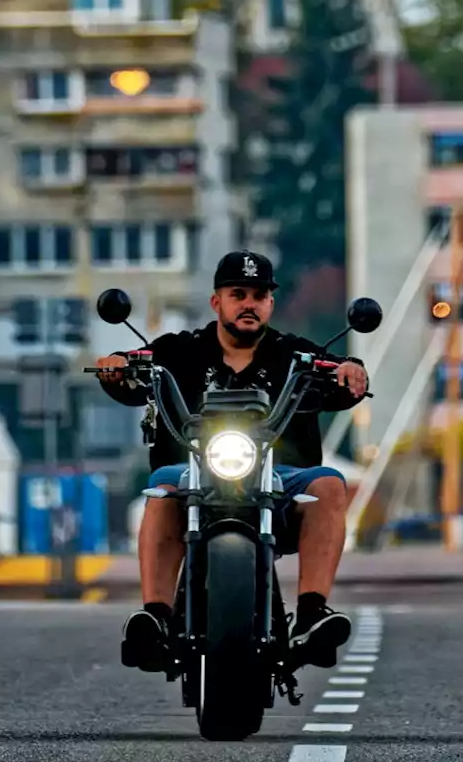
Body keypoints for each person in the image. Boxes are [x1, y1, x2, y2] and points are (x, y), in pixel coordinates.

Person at [94, 250, 369, 675]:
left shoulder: (294, 355)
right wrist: (116, 365)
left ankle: (312, 615)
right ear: (216, 302)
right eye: (237, 293)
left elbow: (342, 375)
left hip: (283, 480)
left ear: (270, 304)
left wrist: (353, 368)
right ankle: (155, 618)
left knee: (330, 483)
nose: (248, 303)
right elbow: (135, 374)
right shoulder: (178, 351)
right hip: (189, 474)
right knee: (162, 489)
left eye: (259, 295)